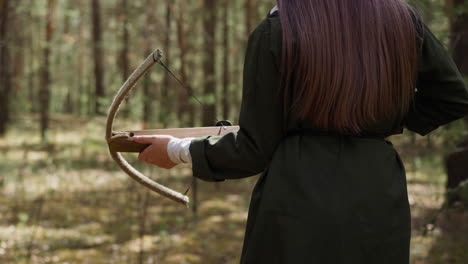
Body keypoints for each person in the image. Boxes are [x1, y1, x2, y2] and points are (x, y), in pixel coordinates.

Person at [134, 1, 468, 263]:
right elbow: (451, 98)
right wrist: (378, 119)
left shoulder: (278, 30)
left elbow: (252, 150)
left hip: (298, 201)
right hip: (378, 195)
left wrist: (177, 150)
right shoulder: (403, 20)